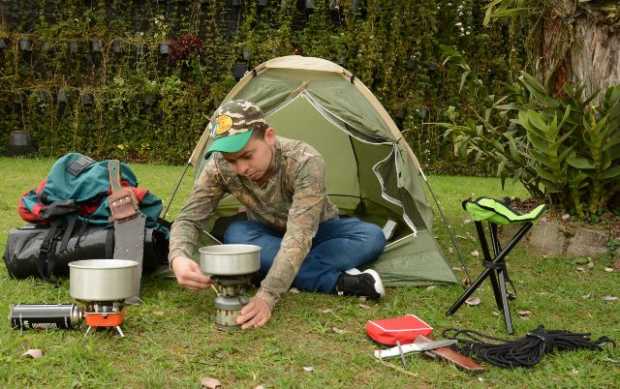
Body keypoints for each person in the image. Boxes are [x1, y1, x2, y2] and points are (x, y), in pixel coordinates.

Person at [168, 99, 386, 329]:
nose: (241, 168)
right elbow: (189, 217)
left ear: (269, 136)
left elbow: (299, 236)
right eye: (232, 160)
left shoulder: (305, 161)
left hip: (318, 231)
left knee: (371, 236)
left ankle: (268, 269)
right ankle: (339, 281)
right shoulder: (219, 165)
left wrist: (267, 295)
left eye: (247, 156)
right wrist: (179, 257)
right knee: (237, 233)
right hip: (264, 234)